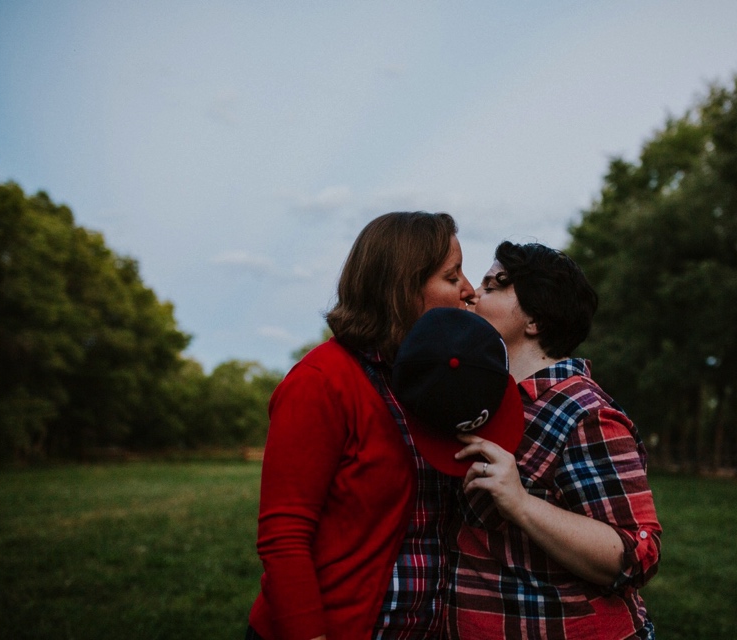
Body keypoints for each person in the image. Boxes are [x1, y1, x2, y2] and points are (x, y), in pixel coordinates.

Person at [246, 211, 475, 640]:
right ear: (403, 288)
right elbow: (284, 536)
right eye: (452, 276)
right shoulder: (320, 382)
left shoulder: (431, 384)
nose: (469, 289)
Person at [447, 241, 662, 639]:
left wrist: (521, 504)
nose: (475, 294)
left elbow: (636, 555)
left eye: (495, 285)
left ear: (535, 321)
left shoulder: (584, 412)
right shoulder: (484, 401)